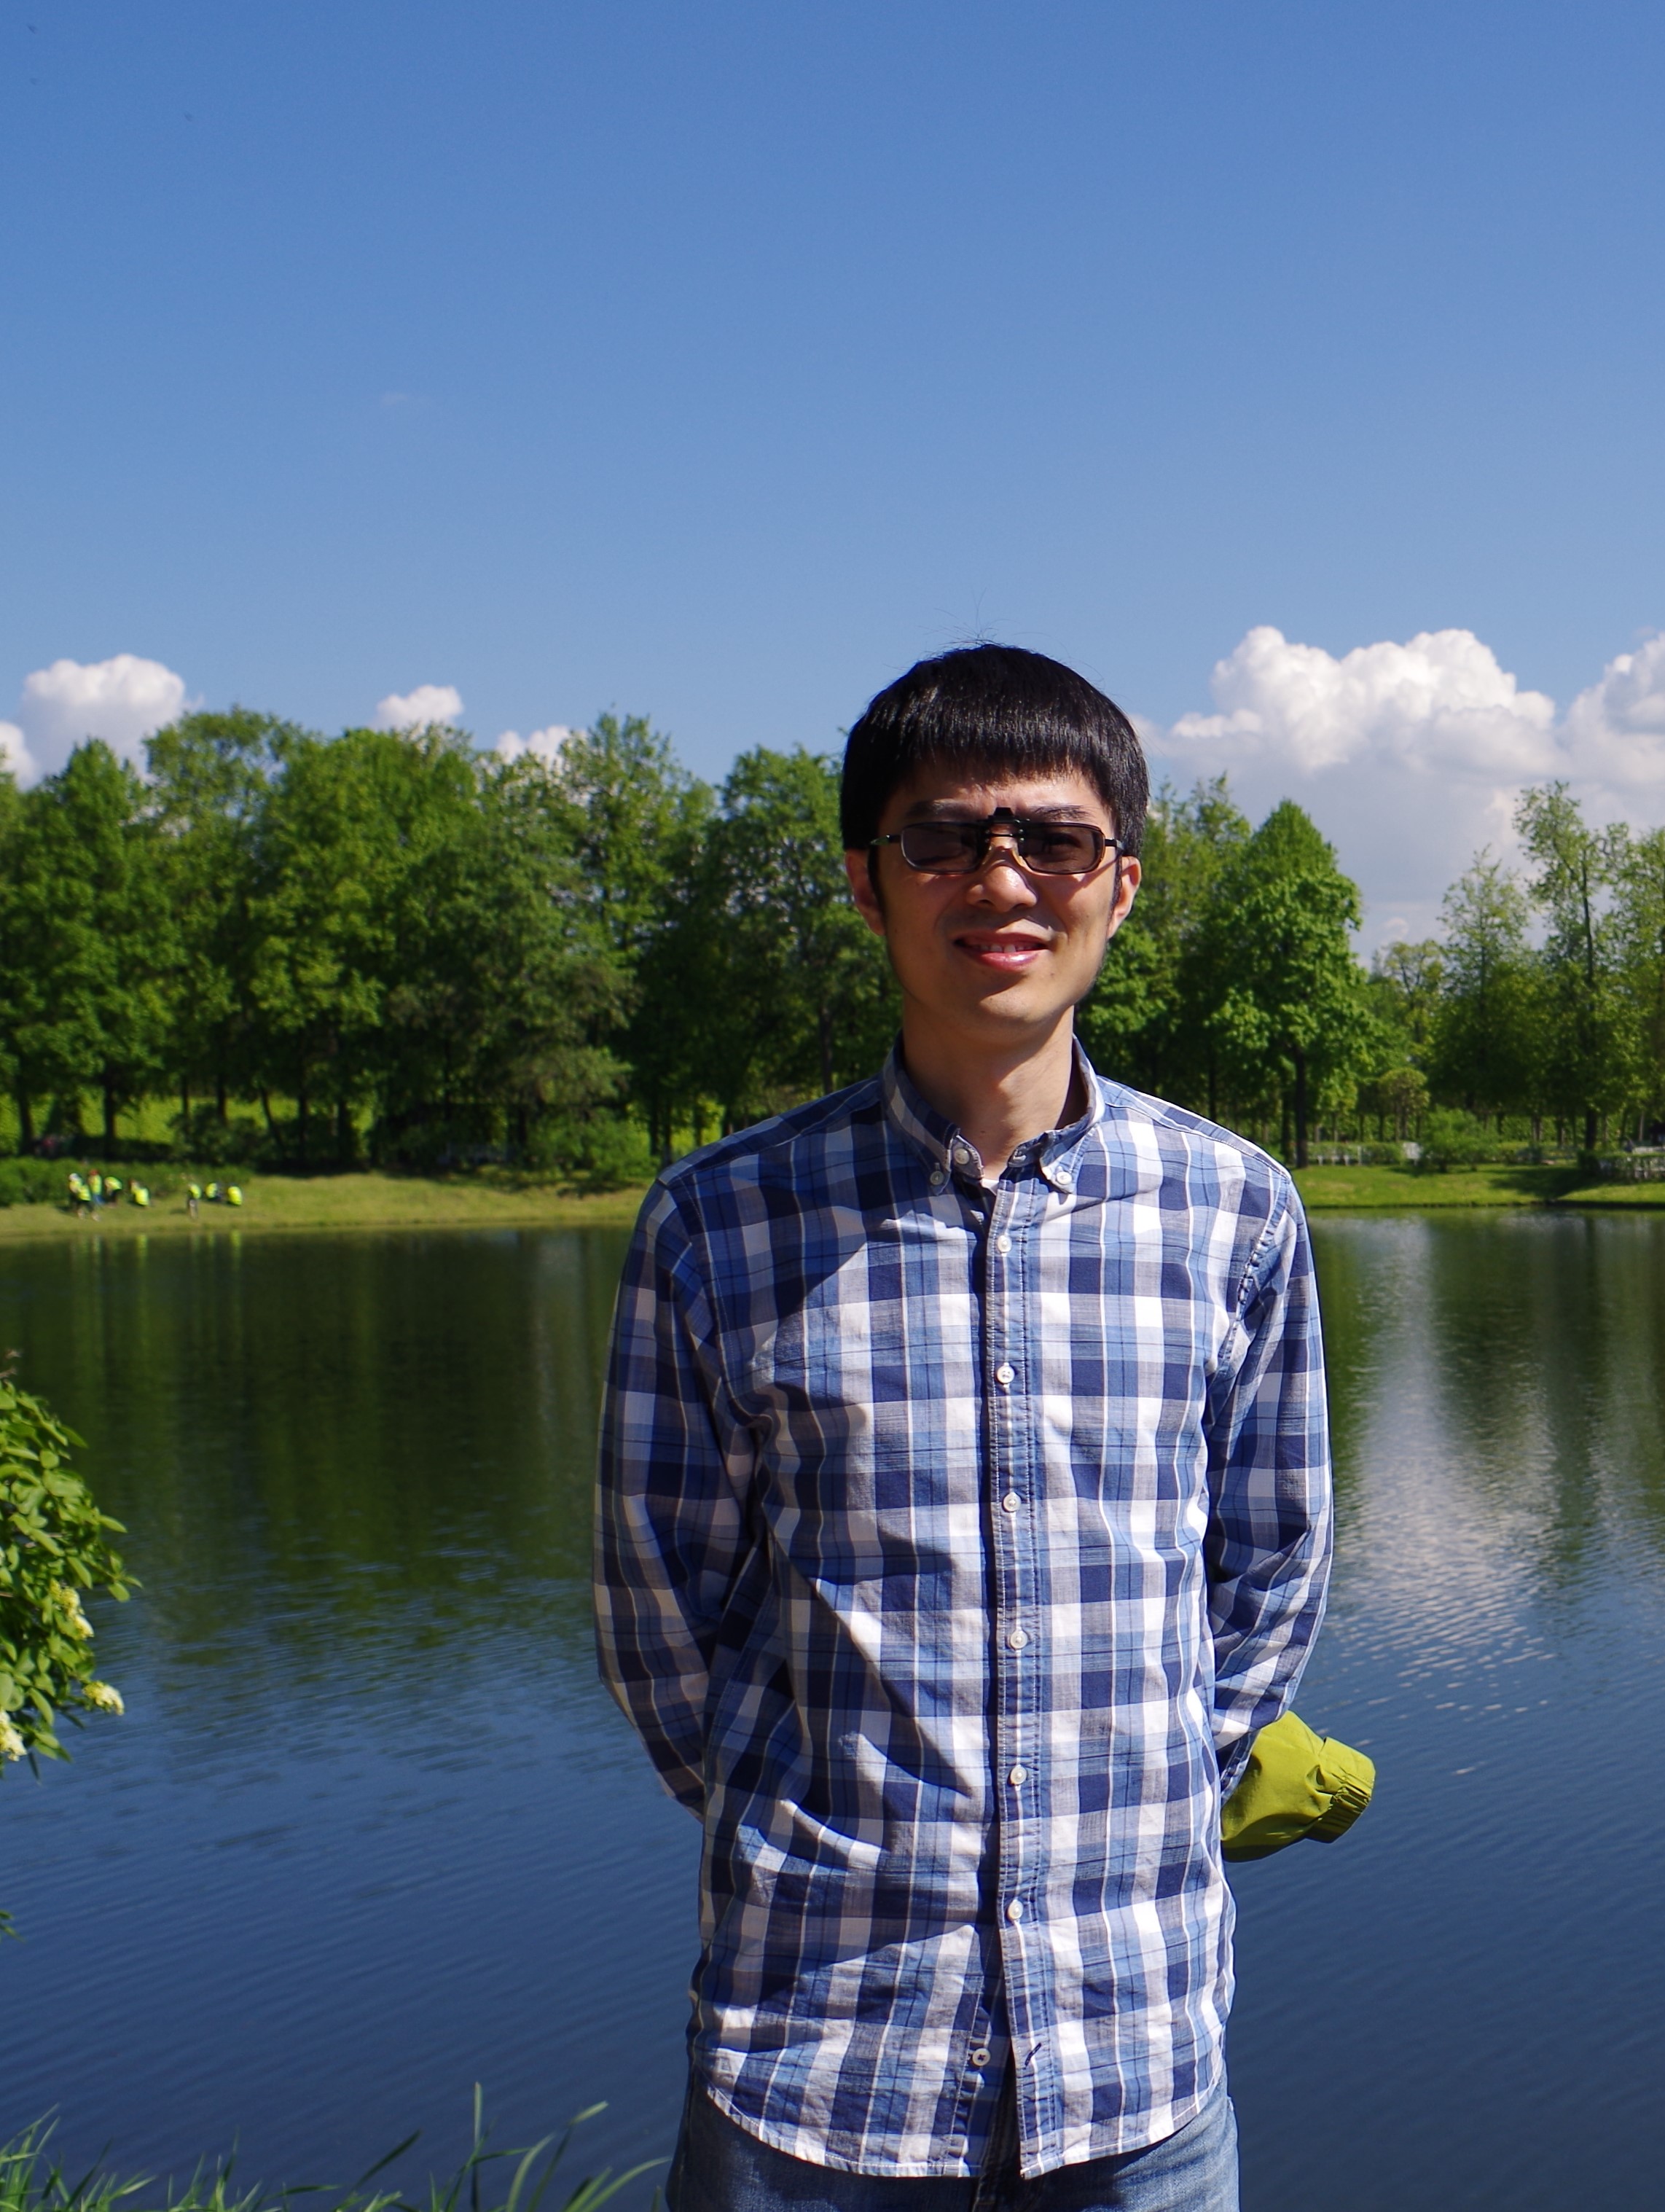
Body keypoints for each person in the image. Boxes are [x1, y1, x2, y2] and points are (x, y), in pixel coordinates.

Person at [597, 645, 1333, 2212]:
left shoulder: (1236, 1214)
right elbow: (661, 1621)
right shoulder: (718, 1223)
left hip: (1135, 2056)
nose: (1002, 881)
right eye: (942, 838)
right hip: (813, 2064)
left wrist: (1138, 1794)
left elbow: (1271, 1576)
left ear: (1120, 884)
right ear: (867, 885)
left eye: (1053, 839)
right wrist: (807, 1827)